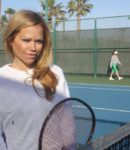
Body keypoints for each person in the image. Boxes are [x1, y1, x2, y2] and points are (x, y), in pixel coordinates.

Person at [0, 10, 75, 150]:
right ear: (11, 40)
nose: (33, 48)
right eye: (26, 40)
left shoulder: (56, 73)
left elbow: (66, 119)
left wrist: (70, 147)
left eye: (38, 41)